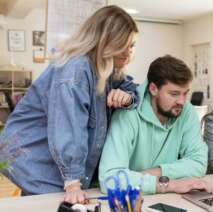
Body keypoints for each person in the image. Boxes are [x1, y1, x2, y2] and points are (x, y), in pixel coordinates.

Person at [0, 5, 139, 203]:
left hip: (53, 160)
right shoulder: (77, 68)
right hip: (33, 156)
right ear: (105, 40)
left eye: (132, 45)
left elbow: (131, 86)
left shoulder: (107, 68)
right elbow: (68, 126)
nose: (128, 52)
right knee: (50, 204)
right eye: (122, 44)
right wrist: (73, 181)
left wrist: (127, 96)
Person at [99, 55, 212, 195]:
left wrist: (153, 173)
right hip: (131, 201)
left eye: (185, 94)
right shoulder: (127, 114)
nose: (182, 102)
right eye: (174, 94)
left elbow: (199, 162)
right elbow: (109, 179)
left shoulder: (186, 111)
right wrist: (169, 184)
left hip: (162, 198)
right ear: (153, 89)